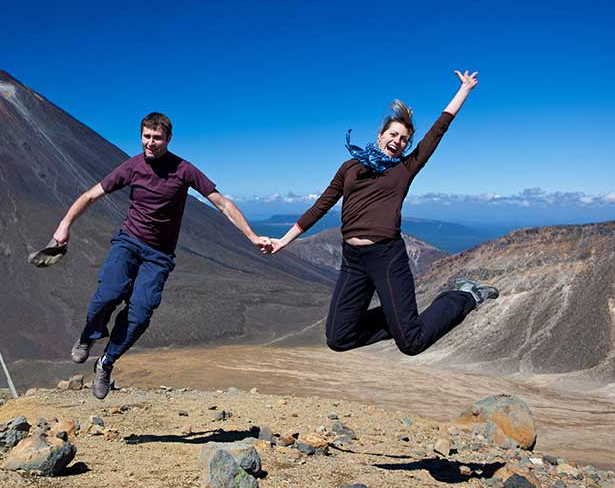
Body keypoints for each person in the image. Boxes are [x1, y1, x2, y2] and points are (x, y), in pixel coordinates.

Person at [269, 70, 498, 356]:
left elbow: (438, 130)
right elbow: (321, 206)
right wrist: (283, 241)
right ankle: (401, 321)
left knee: (411, 343)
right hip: (352, 261)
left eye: (404, 139)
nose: (398, 141)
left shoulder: (405, 168)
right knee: (338, 339)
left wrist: (464, 90)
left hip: (387, 257)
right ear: (380, 135)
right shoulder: (350, 167)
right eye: (393, 134)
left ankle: (464, 295)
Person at [53, 112, 272, 398]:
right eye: (146, 136)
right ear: (141, 136)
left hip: (159, 255)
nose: (151, 143)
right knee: (108, 294)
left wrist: (253, 237)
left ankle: (106, 363)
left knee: (140, 314)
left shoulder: (184, 170)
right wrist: (64, 224)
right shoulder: (132, 167)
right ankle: (87, 337)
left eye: (157, 138)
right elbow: (91, 195)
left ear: (168, 139)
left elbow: (222, 204)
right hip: (128, 243)